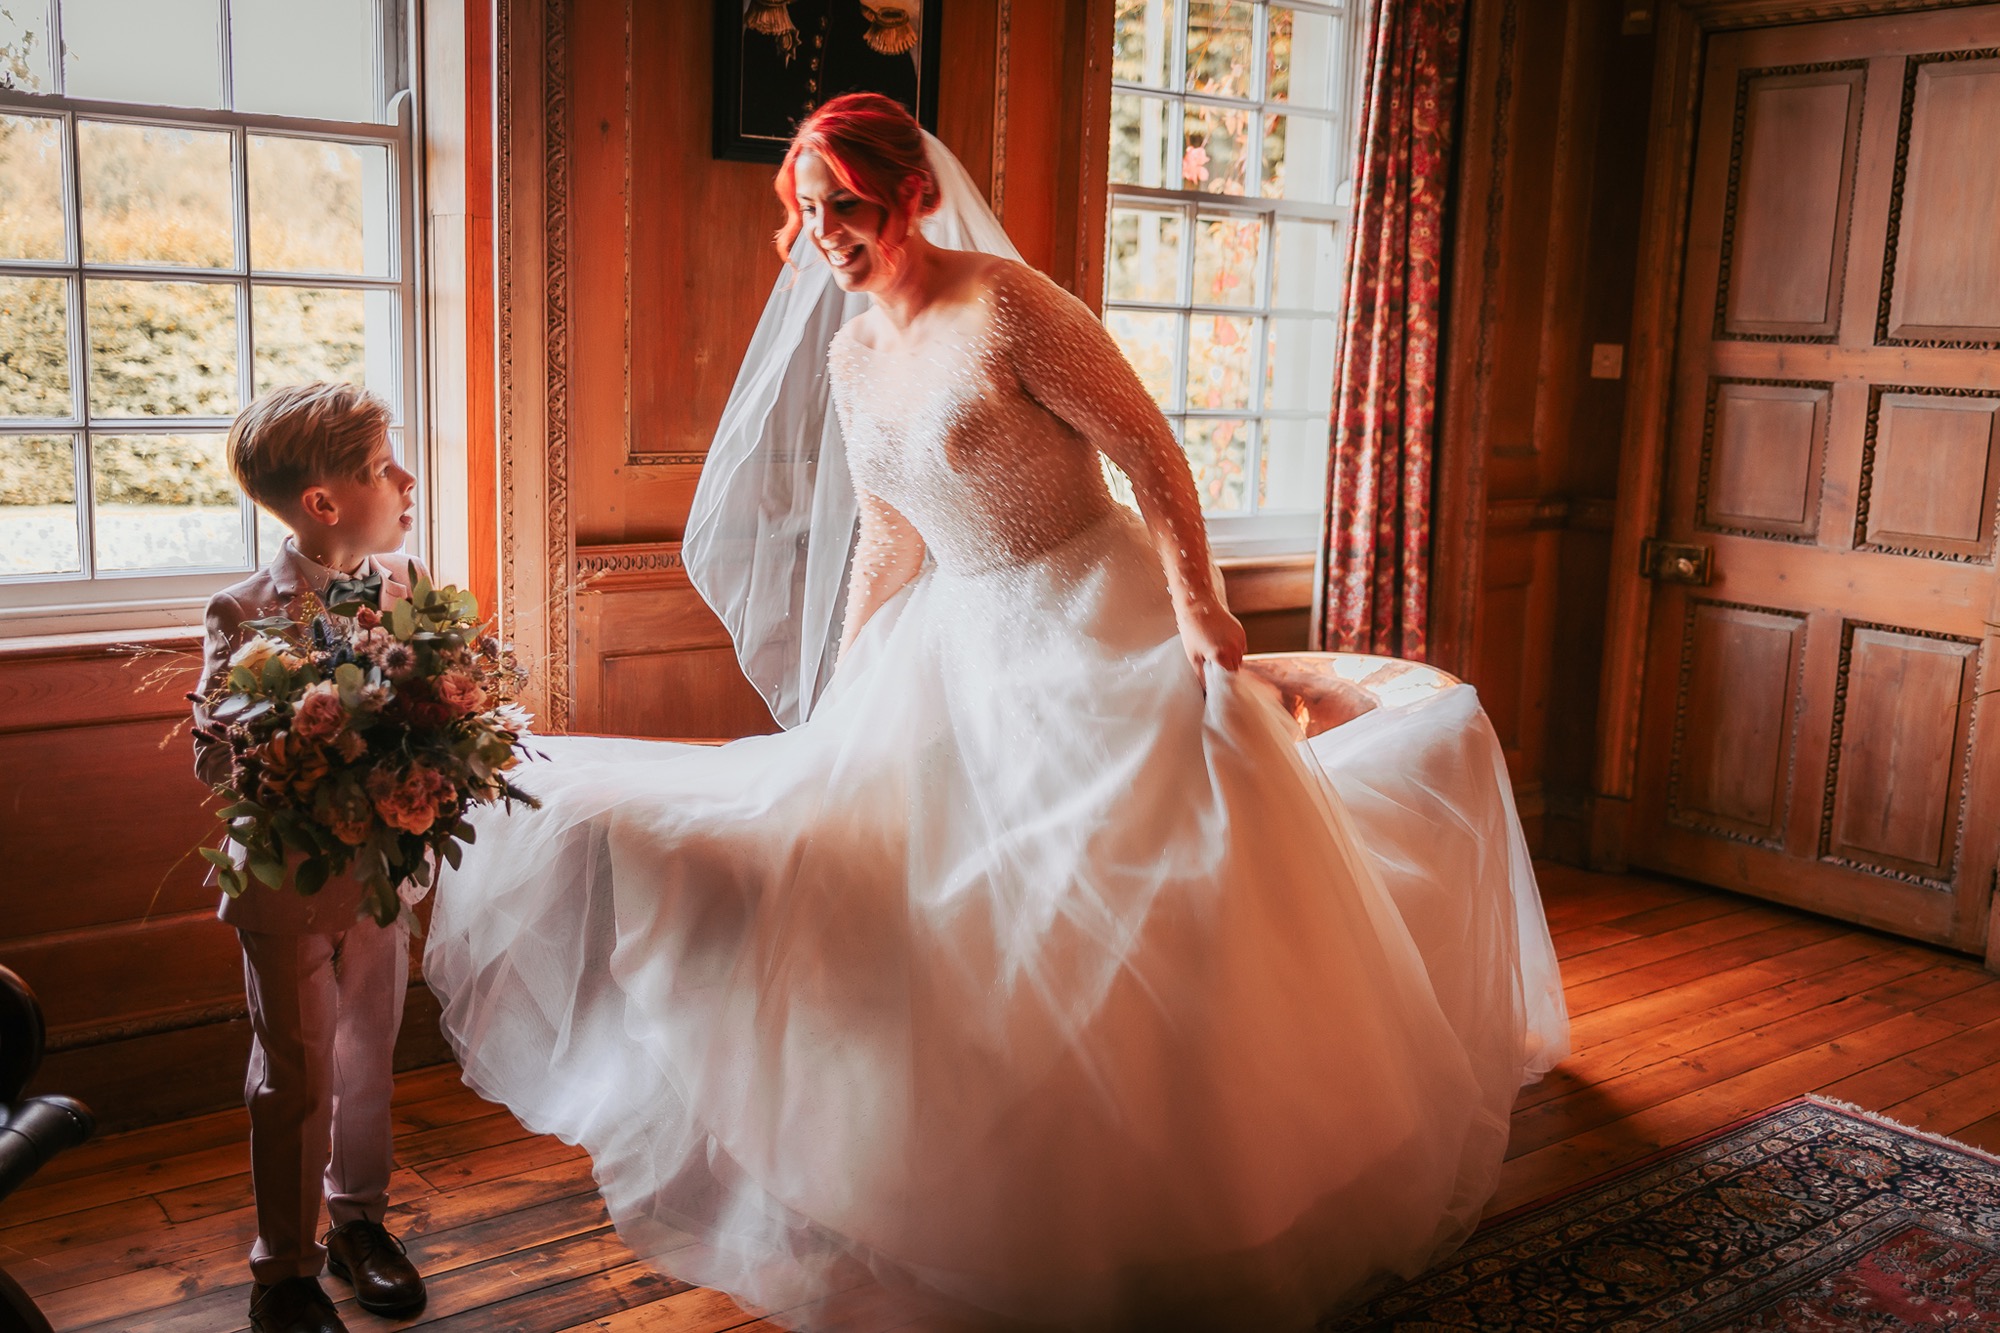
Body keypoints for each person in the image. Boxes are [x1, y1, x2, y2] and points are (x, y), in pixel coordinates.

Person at [426, 95, 1567, 1331]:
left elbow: (1147, 450)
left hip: (1094, 611)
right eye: (806, 213)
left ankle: (1179, 1182)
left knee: (1134, 896)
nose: (823, 237)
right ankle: (972, 1174)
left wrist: (1200, 609)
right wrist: (848, 681)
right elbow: (888, 532)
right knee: (946, 908)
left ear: (912, 195)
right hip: (953, 636)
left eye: (844, 209)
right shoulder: (852, 349)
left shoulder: (1012, 307)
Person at [191, 383, 430, 1333]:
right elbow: (213, 749)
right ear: (323, 503)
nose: (405, 478)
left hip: (378, 871)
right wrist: (285, 739)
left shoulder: (408, 583)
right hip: (285, 882)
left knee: (369, 1052)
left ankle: (358, 1224)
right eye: (382, 468)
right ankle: (282, 1269)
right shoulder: (245, 609)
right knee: (295, 1070)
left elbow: (433, 700)